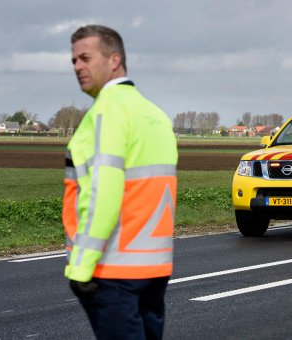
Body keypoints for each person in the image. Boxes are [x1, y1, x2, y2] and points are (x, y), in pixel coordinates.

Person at [63, 24, 177, 340]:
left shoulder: (106, 113)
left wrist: (81, 270)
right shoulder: (154, 114)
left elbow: (103, 193)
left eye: (85, 57)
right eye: (73, 60)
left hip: (111, 269)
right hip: (154, 268)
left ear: (114, 60)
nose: (77, 67)